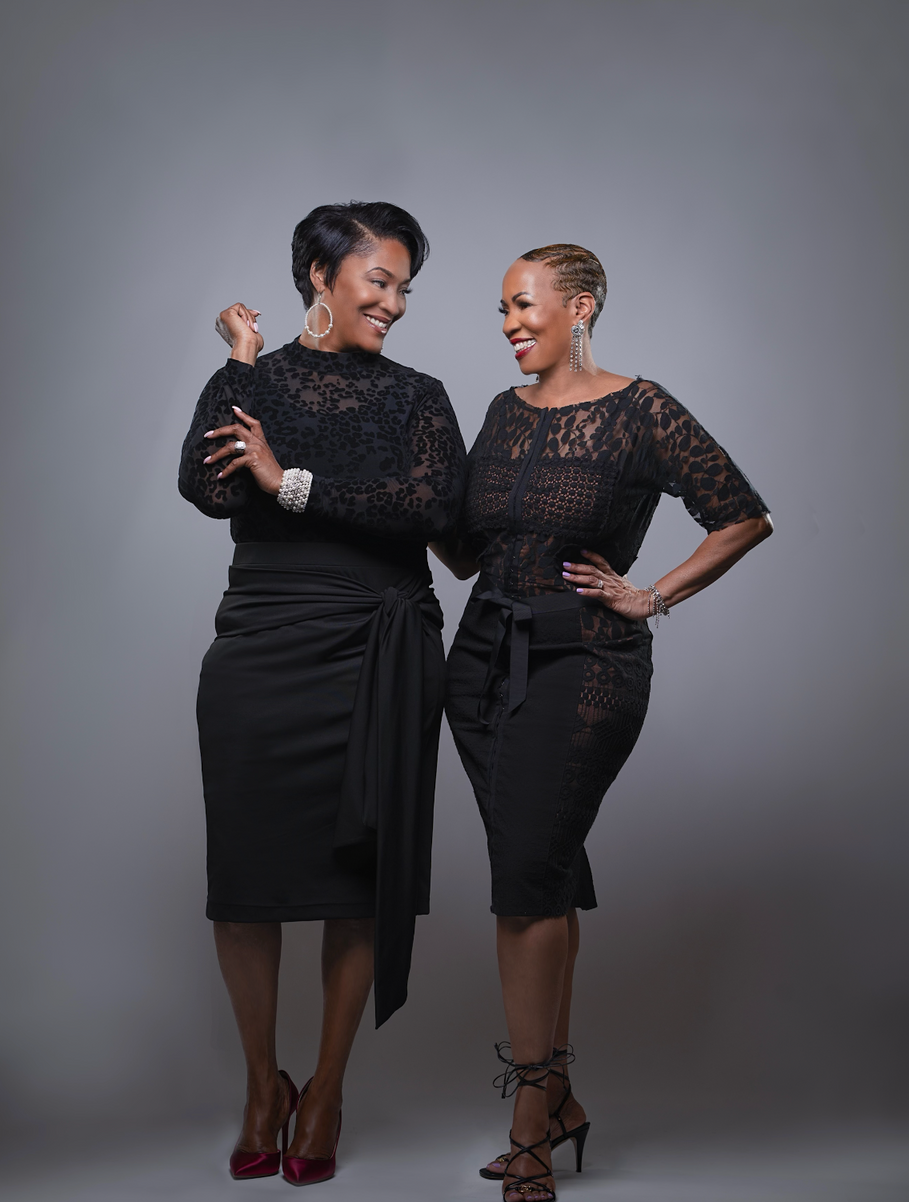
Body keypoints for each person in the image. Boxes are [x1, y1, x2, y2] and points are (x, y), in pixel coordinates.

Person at [434, 244, 772, 1202]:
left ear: (578, 307)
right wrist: (398, 484)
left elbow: (741, 515)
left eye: (523, 304)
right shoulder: (502, 410)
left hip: (583, 665)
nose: (508, 324)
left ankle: (529, 1120)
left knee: (523, 885)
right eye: (501, 309)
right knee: (540, 873)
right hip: (480, 662)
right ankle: (560, 1099)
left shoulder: (640, 409)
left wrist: (650, 594)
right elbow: (463, 553)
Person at [178, 201, 466, 1186]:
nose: (394, 303)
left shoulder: (418, 396)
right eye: (378, 281)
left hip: (377, 650)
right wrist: (240, 361)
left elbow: (433, 507)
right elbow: (209, 488)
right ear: (318, 274)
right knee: (245, 880)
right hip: (262, 647)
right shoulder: (255, 380)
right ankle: (263, 1084)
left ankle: (329, 1088)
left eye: (403, 288)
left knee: (359, 877)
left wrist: (289, 479)